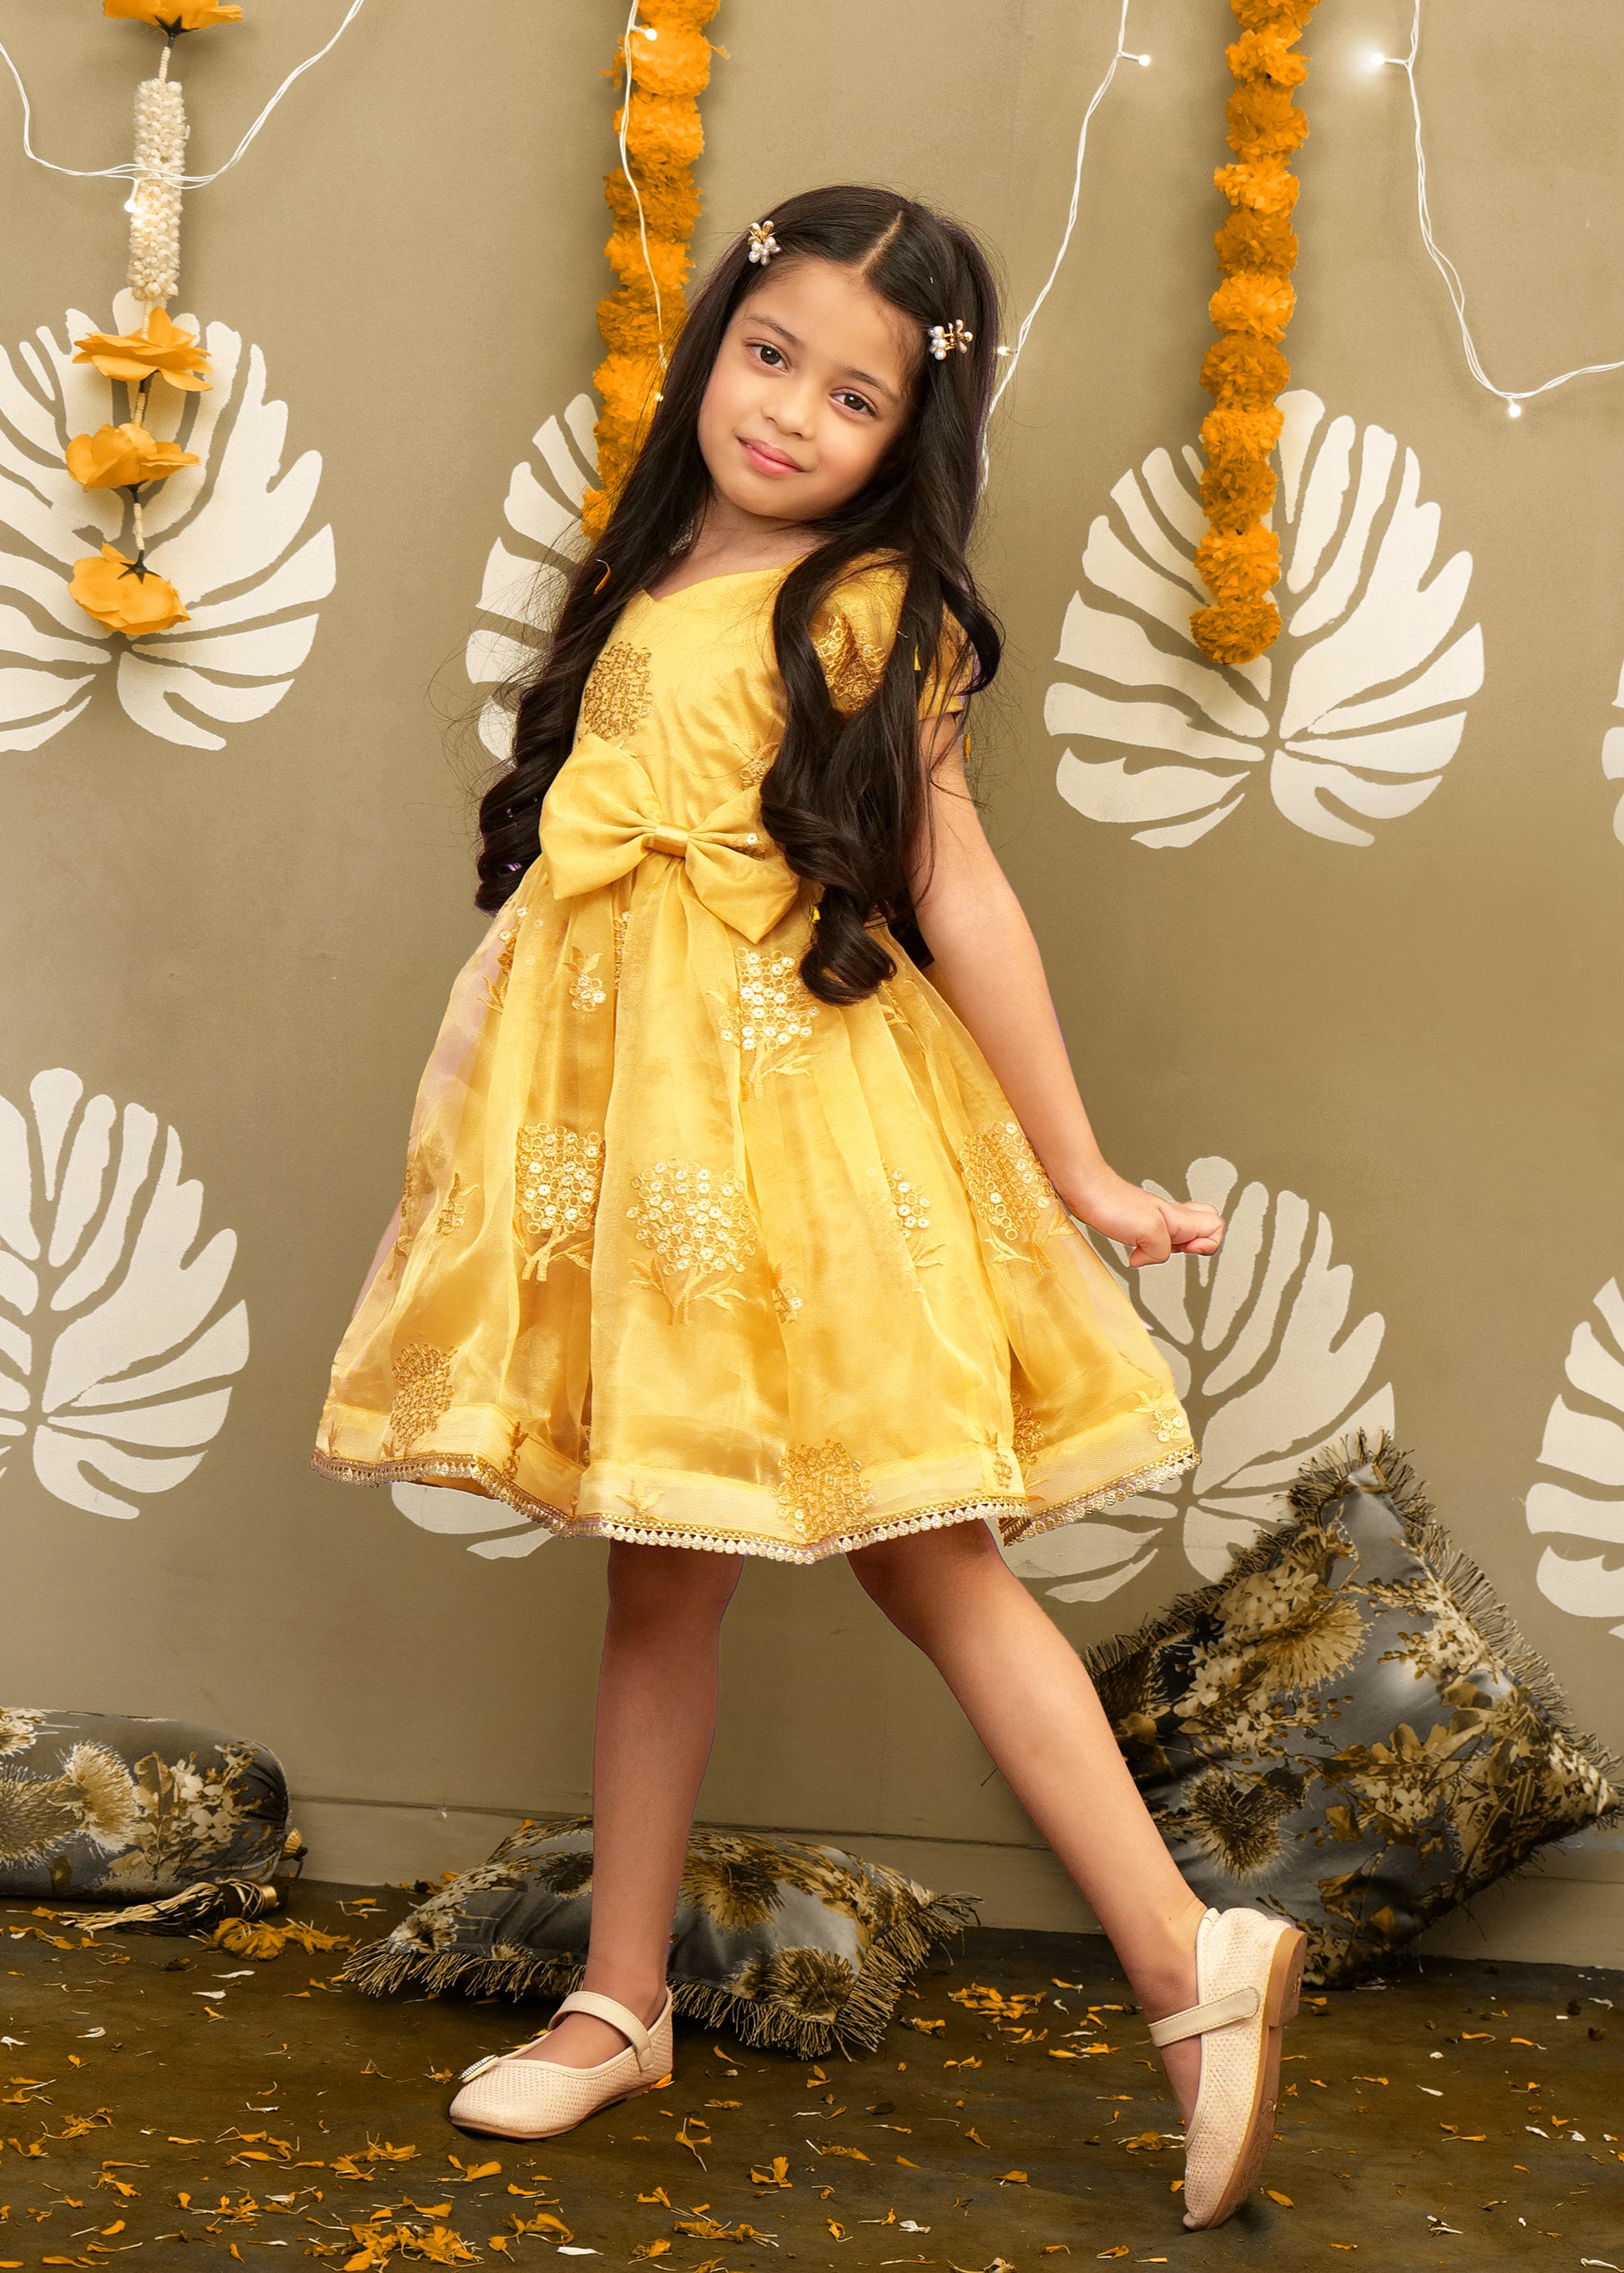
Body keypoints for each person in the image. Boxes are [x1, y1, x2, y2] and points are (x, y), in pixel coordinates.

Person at [312, 184, 1304, 2232]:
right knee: (658, 1573)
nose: (790, 414)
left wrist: (1077, 1161)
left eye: (853, 396)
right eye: (769, 356)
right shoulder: (657, 561)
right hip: (629, 1150)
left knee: (926, 1554)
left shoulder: (869, 607)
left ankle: (1171, 1954)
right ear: (714, 347)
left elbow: (961, 891)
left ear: (904, 437)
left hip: (790, 1146)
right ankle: (620, 2001)